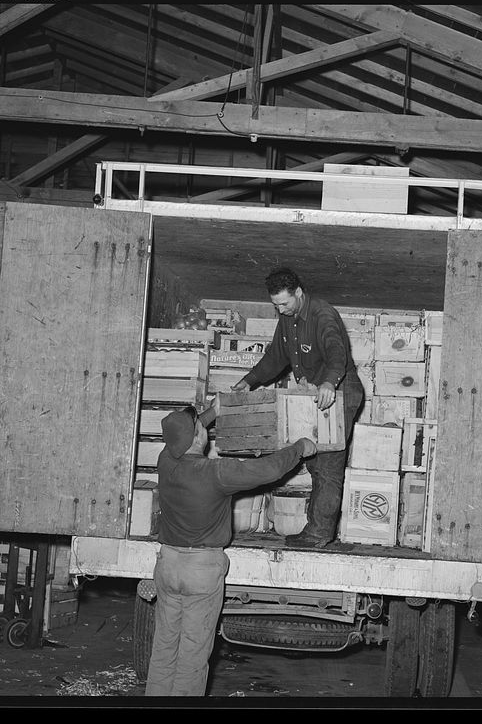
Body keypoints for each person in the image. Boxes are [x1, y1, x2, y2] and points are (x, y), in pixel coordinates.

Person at [145, 399, 317, 697]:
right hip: (201, 570)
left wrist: (215, 410)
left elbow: (185, 433)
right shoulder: (215, 473)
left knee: (164, 648)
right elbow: (269, 469)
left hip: (168, 566)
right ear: (198, 436)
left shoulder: (166, 461)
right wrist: (300, 447)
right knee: (193, 657)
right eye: (201, 426)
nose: (204, 429)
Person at [231, 266, 365, 549]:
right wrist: (249, 380)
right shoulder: (287, 318)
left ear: (299, 293)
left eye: (284, 303)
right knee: (315, 462)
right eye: (275, 304)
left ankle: (319, 533)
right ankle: (316, 528)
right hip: (315, 392)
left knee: (328, 465)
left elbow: (336, 352)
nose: (280, 310)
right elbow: (275, 357)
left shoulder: (322, 314)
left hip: (340, 391)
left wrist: (330, 382)